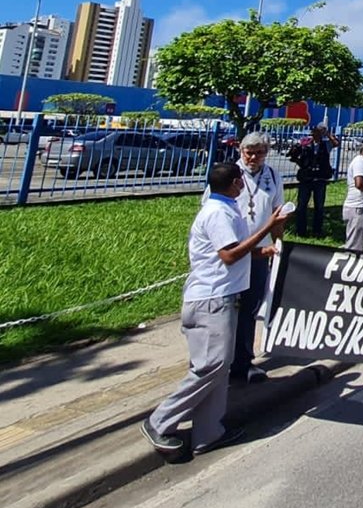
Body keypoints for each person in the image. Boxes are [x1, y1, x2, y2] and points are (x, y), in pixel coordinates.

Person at [141, 163, 285, 457]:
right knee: (212, 366)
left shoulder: (228, 209)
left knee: (219, 368)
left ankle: (209, 432)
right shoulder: (217, 213)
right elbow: (229, 255)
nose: (243, 185)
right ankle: (160, 421)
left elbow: (237, 250)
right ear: (234, 183)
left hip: (223, 297)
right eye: (240, 181)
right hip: (210, 299)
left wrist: (265, 251)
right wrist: (268, 228)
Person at [222, 132, 286, 383]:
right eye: (248, 151)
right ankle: (220, 362)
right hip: (233, 251)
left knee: (250, 308)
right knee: (226, 309)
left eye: (259, 152)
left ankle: (243, 361)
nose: (253, 157)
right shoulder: (229, 174)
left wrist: (279, 245)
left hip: (261, 253)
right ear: (240, 150)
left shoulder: (272, 175)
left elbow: (277, 213)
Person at [289, 122, 337, 238]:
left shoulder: (325, 145)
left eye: (319, 133)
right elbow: (294, 156)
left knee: (319, 206)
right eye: (315, 132)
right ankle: (301, 230)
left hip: (320, 178)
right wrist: (301, 163)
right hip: (306, 178)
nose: (316, 135)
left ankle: (317, 230)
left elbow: (336, 143)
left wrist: (328, 133)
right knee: (302, 206)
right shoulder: (305, 143)